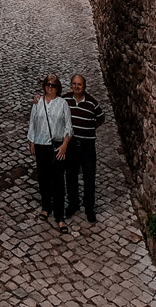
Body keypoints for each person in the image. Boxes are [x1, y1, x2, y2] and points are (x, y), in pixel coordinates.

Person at [26, 74, 73, 232]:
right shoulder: (38, 102)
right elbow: (33, 122)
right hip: (41, 144)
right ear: (44, 85)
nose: (50, 87)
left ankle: (59, 217)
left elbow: (69, 127)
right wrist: (31, 141)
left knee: (58, 180)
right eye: (47, 84)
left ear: (57, 87)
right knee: (43, 177)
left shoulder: (62, 104)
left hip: (57, 146)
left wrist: (65, 145)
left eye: (53, 85)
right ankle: (46, 207)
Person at [64, 74, 105, 222]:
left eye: (79, 84)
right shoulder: (65, 100)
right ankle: (73, 204)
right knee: (71, 176)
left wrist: (90, 128)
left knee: (89, 177)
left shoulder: (92, 103)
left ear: (84, 86)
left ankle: (89, 208)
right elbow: (52, 106)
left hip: (87, 146)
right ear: (71, 85)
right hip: (71, 144)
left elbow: (101, 118)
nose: (76, 86)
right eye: (74, 84)